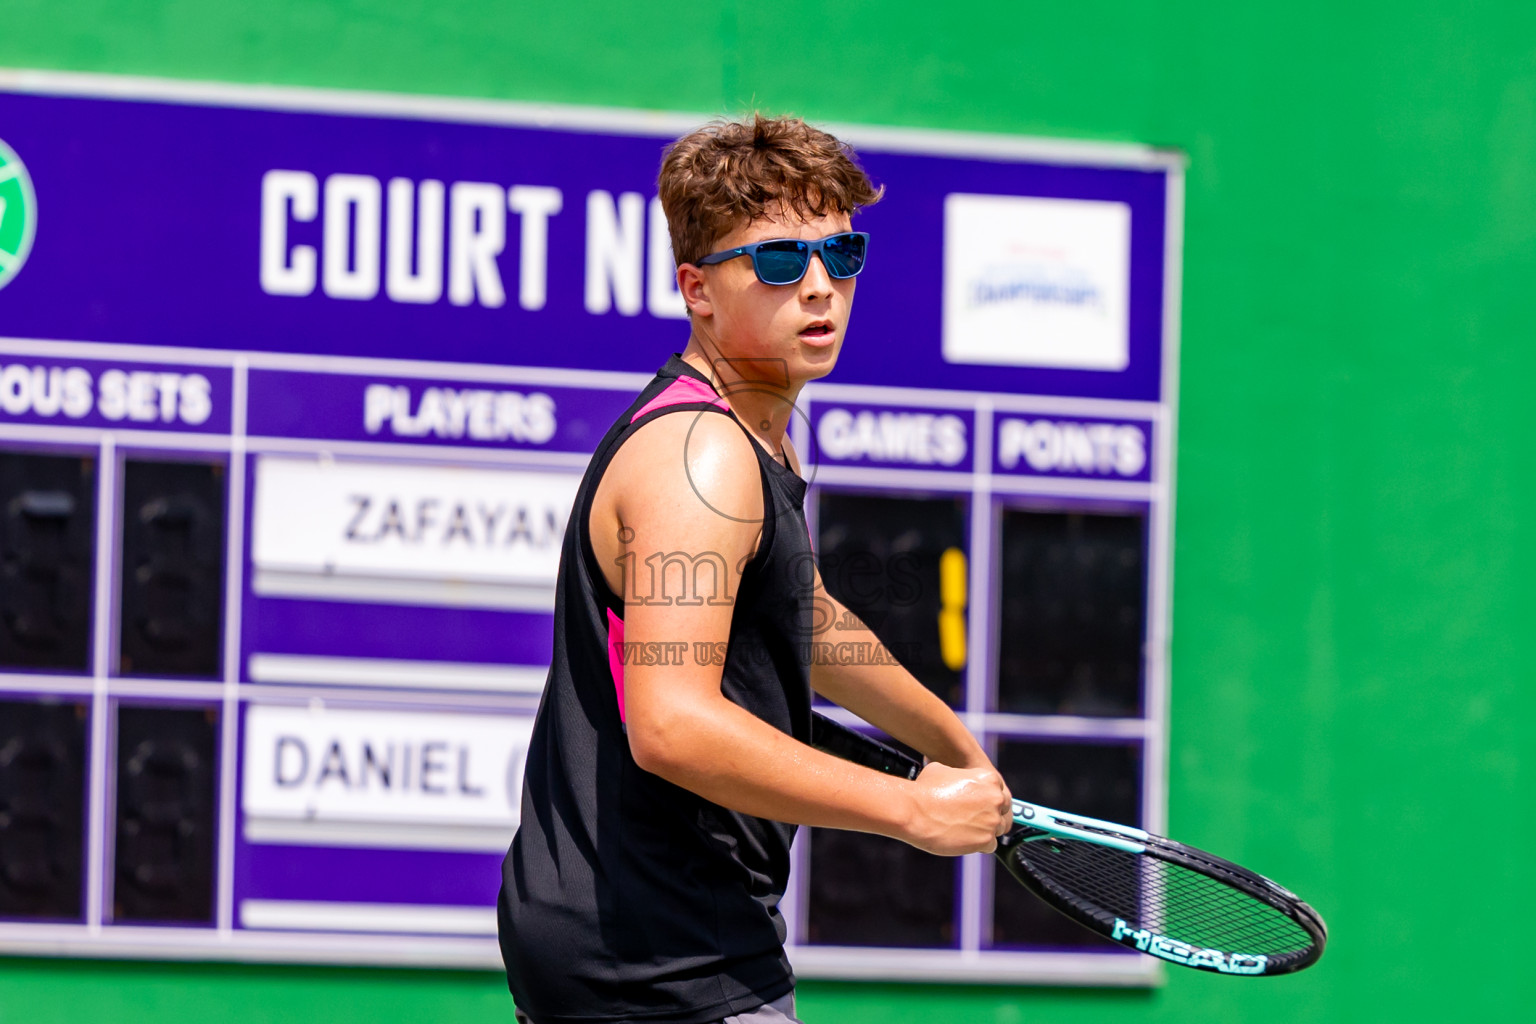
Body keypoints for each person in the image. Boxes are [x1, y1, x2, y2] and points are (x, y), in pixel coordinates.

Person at [498, 114, 1013, 1024]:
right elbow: (675, 726)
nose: (819, 287)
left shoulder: (747, 436)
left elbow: (801, 616)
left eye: (839, 254)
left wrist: (952, 748)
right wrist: (911, 812)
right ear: (697, 289)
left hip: (633, 938)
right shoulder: (702, 457)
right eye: (777, 262)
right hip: (664, 958)